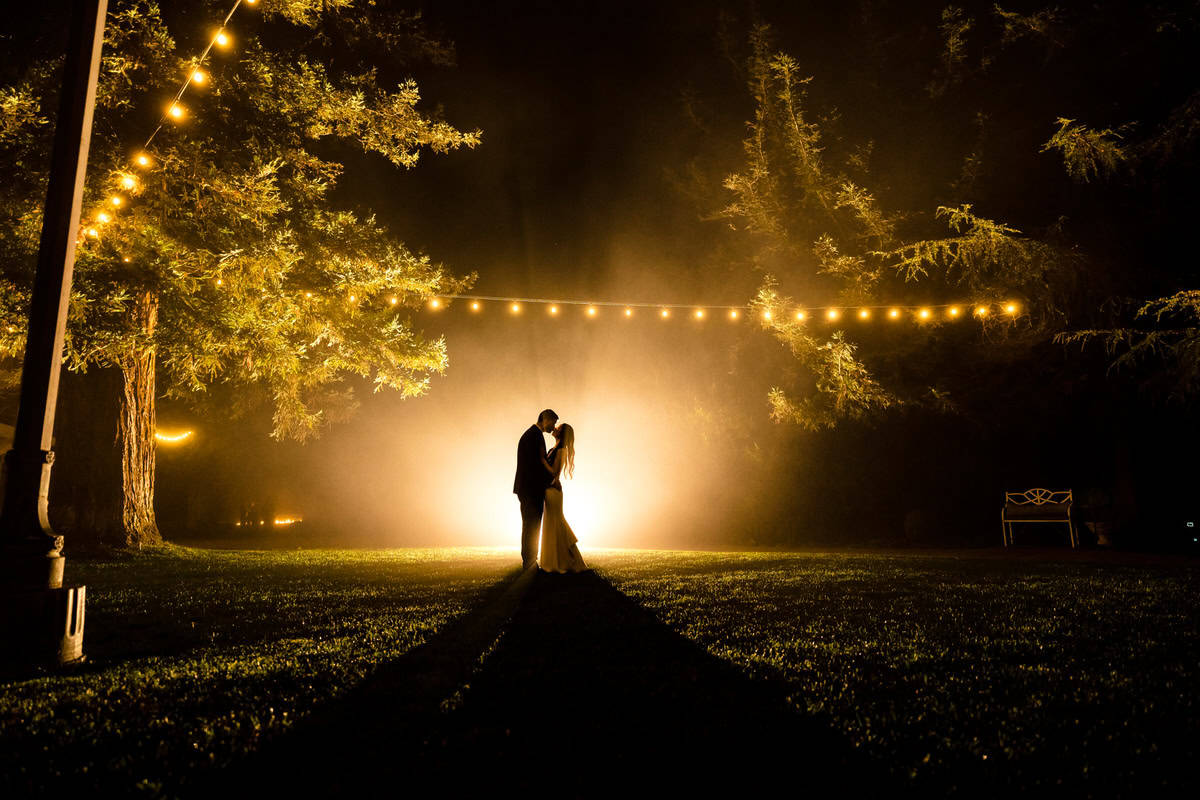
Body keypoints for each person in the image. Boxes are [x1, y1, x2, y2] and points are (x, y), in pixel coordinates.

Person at [539, 423, 587, 573]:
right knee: (553, 525)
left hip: (553, 491)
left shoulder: (561, 450)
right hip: (550, 490)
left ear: (562, 433)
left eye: (558, 428)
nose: (555, 428)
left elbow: (554, 472)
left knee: (556, 523)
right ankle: (558, 559)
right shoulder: (556, 448)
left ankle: (566, 559)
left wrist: (541, 460)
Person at [514, 409, 557, 569]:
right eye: (553, 422)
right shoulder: (534, 436)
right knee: (532, 524)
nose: (554, 427)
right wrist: (551, 480)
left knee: (530, 524)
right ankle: (530, 561)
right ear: (545, 419)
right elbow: (536, 465)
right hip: (530, 489)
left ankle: (529, 559)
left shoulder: (531, 434)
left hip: (526, 488)